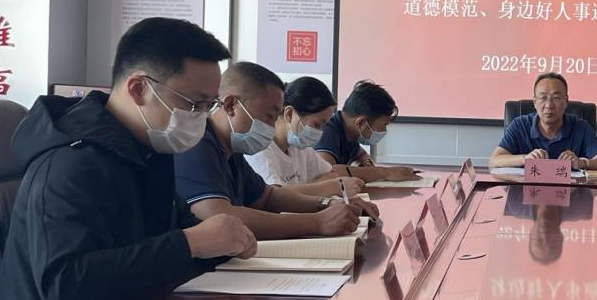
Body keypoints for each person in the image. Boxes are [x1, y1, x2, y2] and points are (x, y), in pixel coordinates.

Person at [0, 17, 258, 300]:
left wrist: (224, 241)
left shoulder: (146, 150)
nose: (201, 117)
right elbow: (66, 284)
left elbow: (172, 235)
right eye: (193, 104)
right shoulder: (70, 161)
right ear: (139, 88)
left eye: (209, 105)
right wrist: (193, 243)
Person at [174, 61, 375, 239]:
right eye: (270, 116)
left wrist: (327, 204)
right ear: (230, 105)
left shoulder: (231, 151)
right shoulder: (197, 142)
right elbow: (218, 216)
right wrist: (318, 222)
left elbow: (267, 197)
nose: (272, 128)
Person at [246, 76, 364, 198]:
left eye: (323, 126)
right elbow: (274, 196)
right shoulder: (260, 149)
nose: (320, 132)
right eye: (316, 124)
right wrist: (330, 187)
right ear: (289, 114)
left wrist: (303, 189)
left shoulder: (300, 147)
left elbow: (332, 175)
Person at [489, 72, 597, 171]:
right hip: (526, 193)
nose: (549, 105)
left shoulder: (581, 127)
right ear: (535, 102)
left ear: (566, 102)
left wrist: (581, 162)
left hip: (571, 194)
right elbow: (494, 161)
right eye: (543, 98)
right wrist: (524, 159)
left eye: (556, 98)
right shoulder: (519, 125)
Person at [315, 80, 417, 183]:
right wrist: (385, 172)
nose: (384, 131)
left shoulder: (350, 134)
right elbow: (328, 173)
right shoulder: (327, 131)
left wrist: (366, 164)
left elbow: (362, 155)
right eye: (384, 125)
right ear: (360, 122)